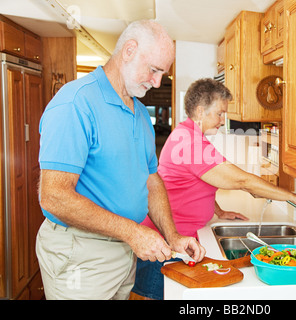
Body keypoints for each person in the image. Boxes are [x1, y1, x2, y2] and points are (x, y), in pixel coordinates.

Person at [36, 20, 205, 300]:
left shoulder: (140, 113)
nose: (157, 82)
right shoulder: (75, 103)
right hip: (81, 254)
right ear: (128, 50)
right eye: (154, 70)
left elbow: (151, 180)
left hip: (124, 249)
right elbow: (53, 196)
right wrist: (133, 232)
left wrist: (172, 236)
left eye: (162, 73)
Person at [131, 78, 296, 299]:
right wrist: (295, 198)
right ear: (201, 111)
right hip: (168, 244)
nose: (223, 120)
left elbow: (196, 182)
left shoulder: (187, 134)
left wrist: (219, 211)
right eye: (220, 113)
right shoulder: (191, 144)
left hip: (173, 239)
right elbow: (244, 182)